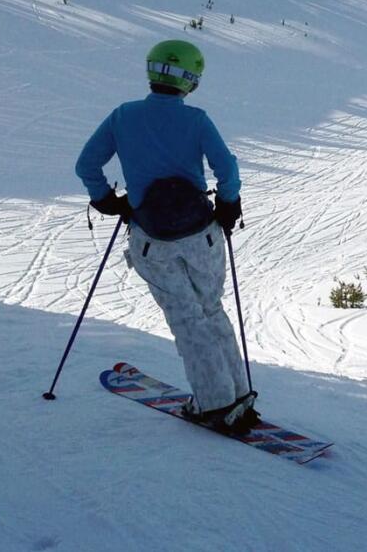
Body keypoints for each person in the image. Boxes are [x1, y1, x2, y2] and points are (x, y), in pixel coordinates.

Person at [75, 39, 258, 434]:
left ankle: (214, 404)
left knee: (187, 319)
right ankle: (238, 395)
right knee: (210, 308)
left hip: (151, 239)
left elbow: (86, 164)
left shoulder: (123, 116)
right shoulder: (197, 120)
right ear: (191, 81)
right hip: (202, 236)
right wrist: (228, 204)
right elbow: (227, 169)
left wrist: (109, 201)